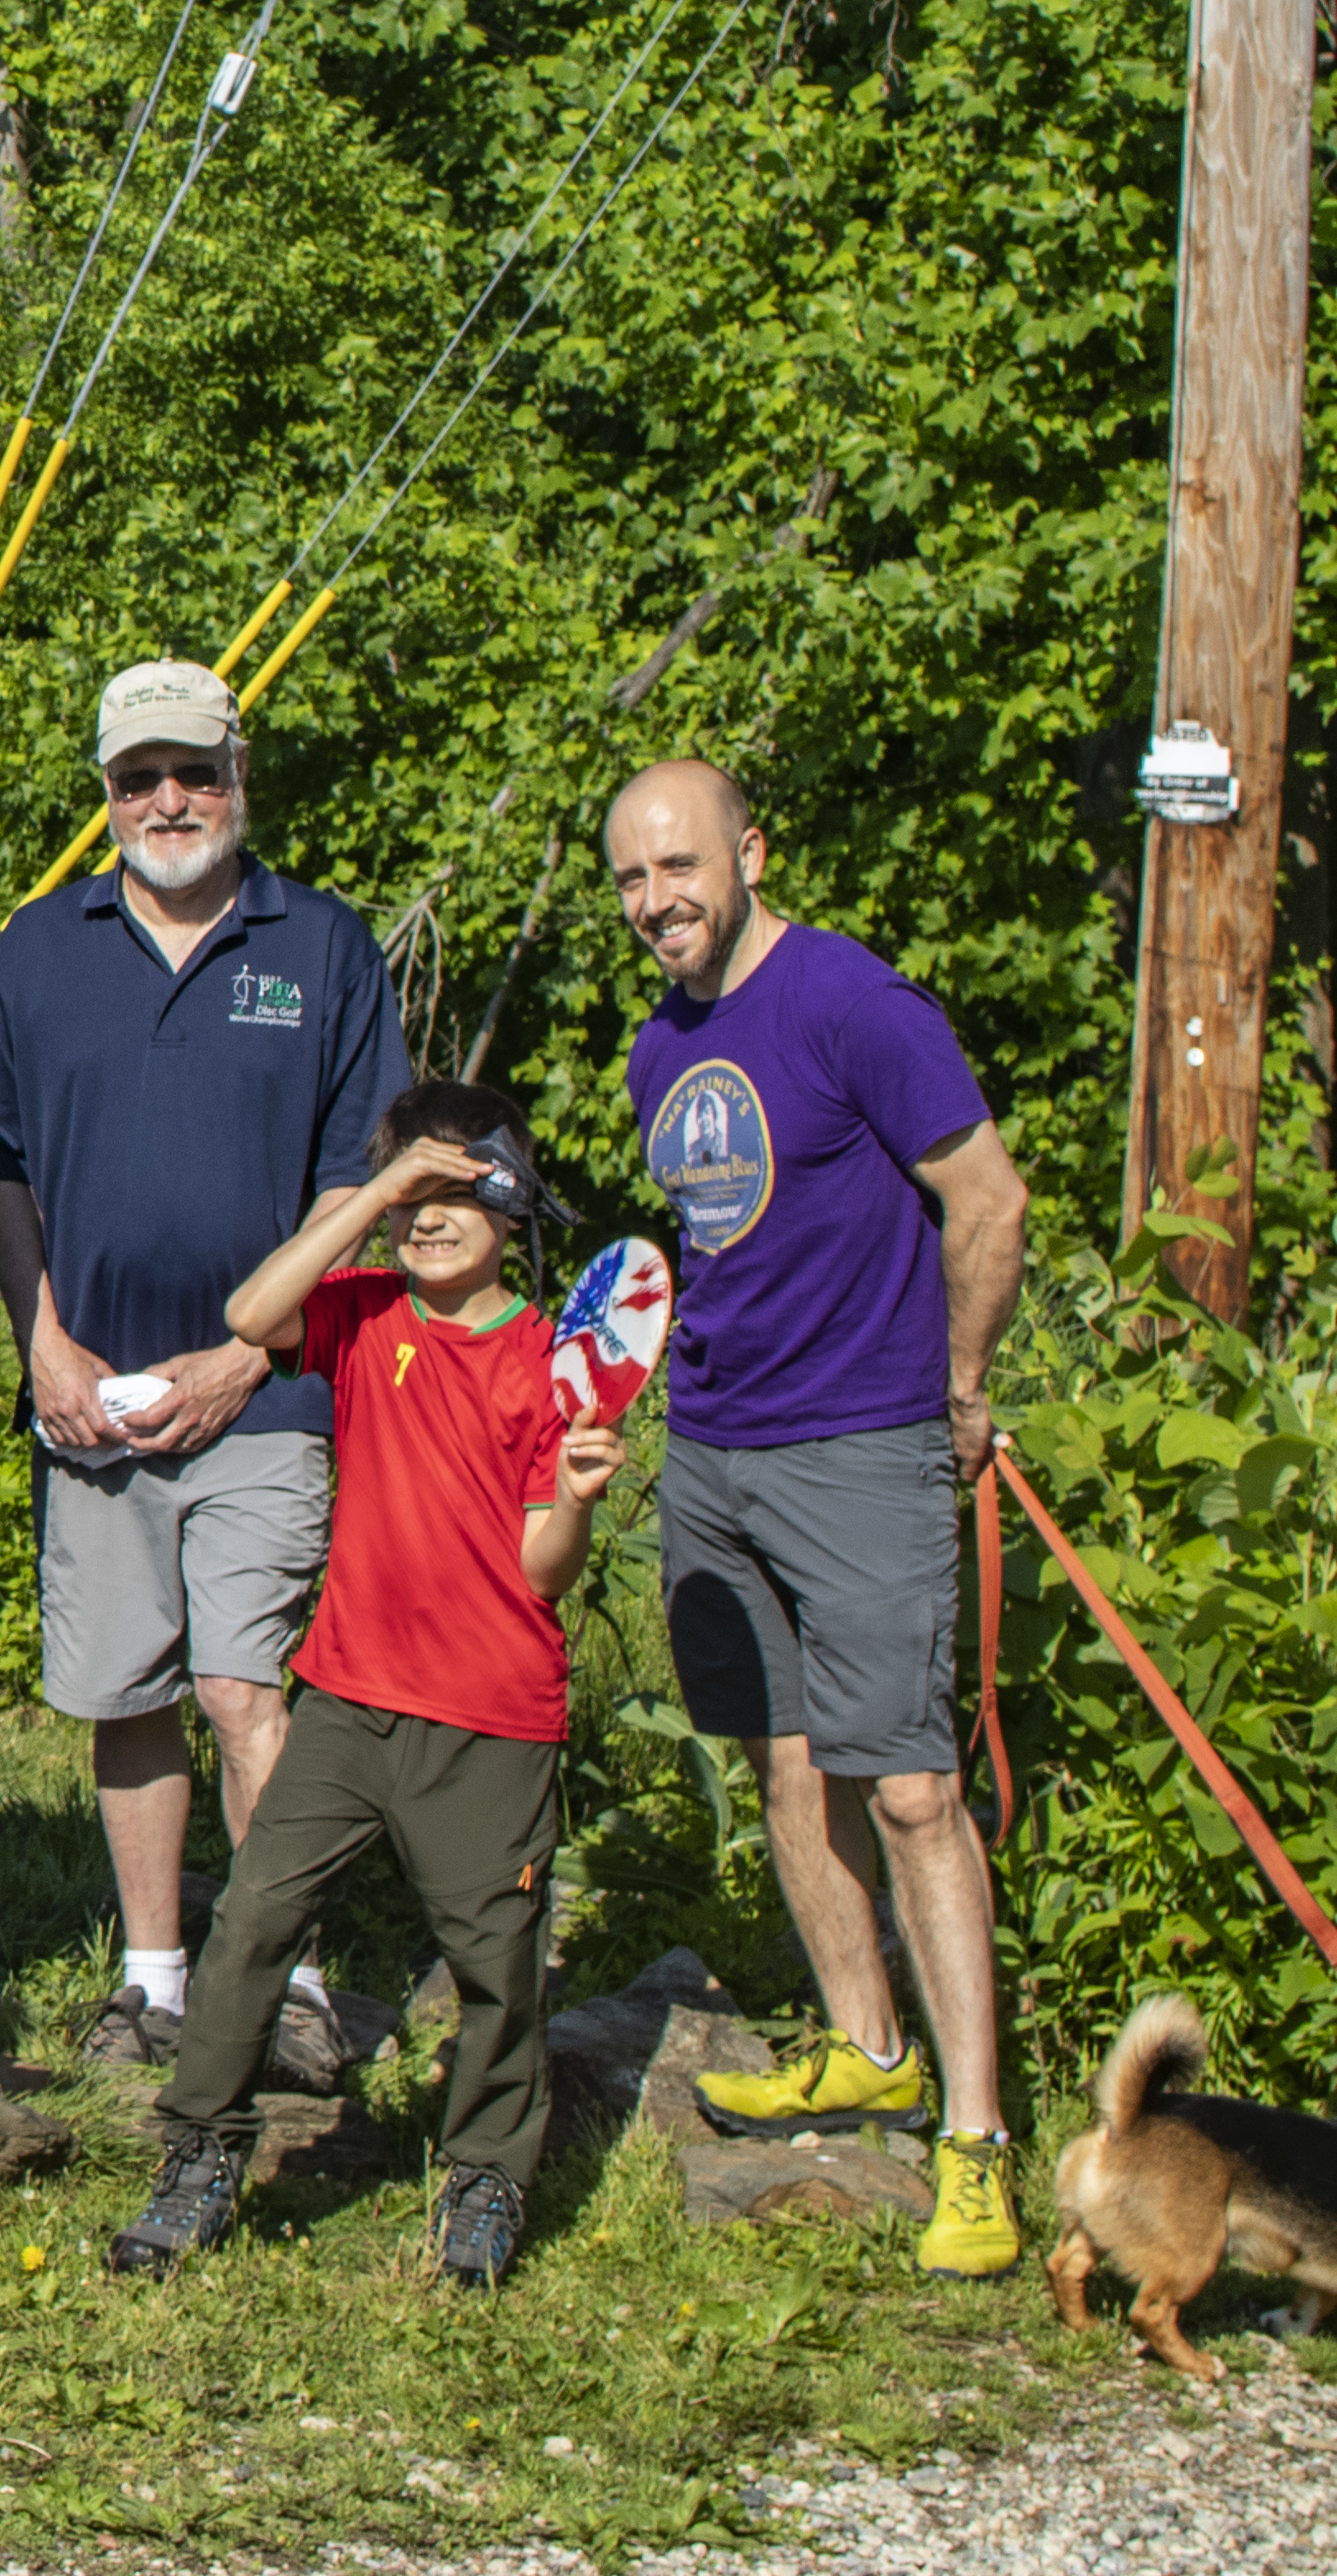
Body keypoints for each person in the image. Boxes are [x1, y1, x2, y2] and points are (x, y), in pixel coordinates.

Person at [604, 756, 1030, 2278]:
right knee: (789, 1764)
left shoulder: (855, 1003)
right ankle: (868, 2049)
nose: (659, 900)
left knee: (909, 1788)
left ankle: (975, 2146)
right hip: (718, 1450)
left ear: (749, 853)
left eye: (681, 866)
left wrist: (961, 1388)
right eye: (634, 879)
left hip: (864, 1443)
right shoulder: (665, 1045)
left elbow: (989, 1197)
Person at [109, 1085, 627, 2292]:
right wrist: (377, 1192)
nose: (430, 1217)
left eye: (457, 1192)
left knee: (497, 1962)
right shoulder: (364, 1313)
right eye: (414, 1196)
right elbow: (250, 1310)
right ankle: (201, 2156)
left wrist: (587, 1496)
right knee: (248, 1925)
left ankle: (485, 2181)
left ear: (513, 1207)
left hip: (492, 1718)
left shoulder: (553, 1358)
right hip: (344, 1698)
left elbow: (545, 1569)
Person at [0, 658, 409, 2083]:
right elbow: (1, 1170)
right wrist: (40, 1339)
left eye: (195, 773)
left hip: (268, 1399)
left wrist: (249, 1353)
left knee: (243, 1692)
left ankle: (285, 1980)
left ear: (240, 778)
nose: (170, 800)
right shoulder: (38, 952)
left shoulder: (325, 945)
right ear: (104, 797)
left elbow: (360, 1189)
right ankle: (153, 1980)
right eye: (138, 777)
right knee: (126, 1695)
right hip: (90, 1395)